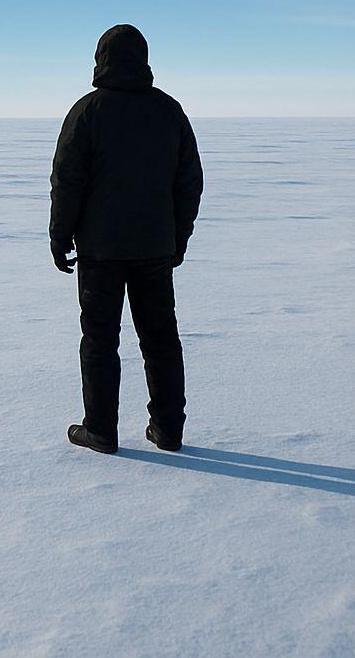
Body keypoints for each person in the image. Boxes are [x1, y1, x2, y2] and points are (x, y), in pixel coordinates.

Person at [50, 24, 203, 455]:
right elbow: (189, 182)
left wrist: (60, 236)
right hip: (154, 247)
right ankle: (168, 430)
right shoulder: (168, 111)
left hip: (100, 250)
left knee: (100, 339)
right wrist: (178, 238)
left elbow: (67, 182)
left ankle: (100, 430)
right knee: (161, 338)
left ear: (101, 59)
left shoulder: (87, 111)